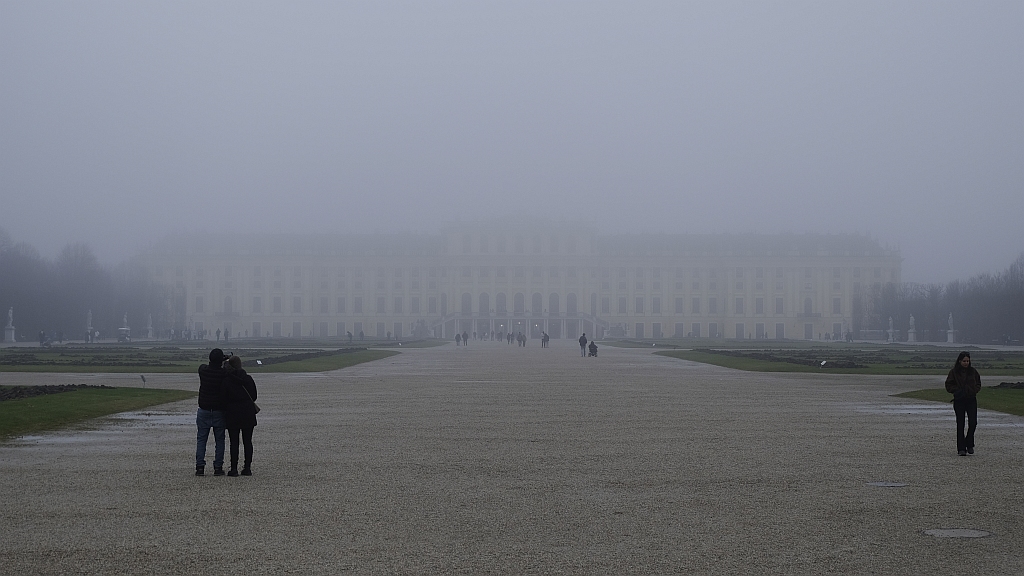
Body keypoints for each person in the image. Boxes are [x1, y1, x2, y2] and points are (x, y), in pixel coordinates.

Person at [196, 348, 229, 476]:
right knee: (220, 440)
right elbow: (227, 370)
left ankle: (200, 467)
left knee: (201, 440)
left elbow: (202, 366)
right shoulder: (223, 373)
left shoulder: (203, 372)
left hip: (204, 409)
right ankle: (218, 466)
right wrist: (224, 362)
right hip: (218, 409)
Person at [224, 355, 258, 476]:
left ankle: (233, 468)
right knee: (247, 441)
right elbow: (254, 396)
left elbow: (223, 397)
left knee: (234, 442)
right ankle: (247, 467)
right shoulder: (248, 378)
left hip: (233, 413)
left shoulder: (227, 380)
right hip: (248, 413)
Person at [945, 351, 982, 456]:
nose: (966, 363)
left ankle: (969, 443)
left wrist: (973, 390)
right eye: (964, 361)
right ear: (960, 361)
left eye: (968, 361)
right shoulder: (954, 372)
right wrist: (957, 391)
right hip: (959, 400)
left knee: (973, 423)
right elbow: (948, 385)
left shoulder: (973, 372)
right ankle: (961, 448)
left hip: (971, 399)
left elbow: (978, 383)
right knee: (960, 424)